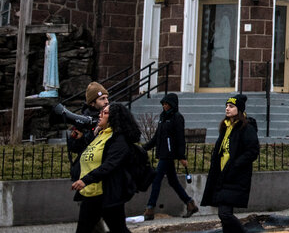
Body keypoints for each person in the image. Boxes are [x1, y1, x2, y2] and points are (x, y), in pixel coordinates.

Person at [71, 103, 139, 233]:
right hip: (90, 193)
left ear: (114, 118)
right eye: (101, 112)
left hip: (107, 193)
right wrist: (78, 139)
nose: (100, 115)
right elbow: (83, 154)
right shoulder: (99, 135)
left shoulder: (119, 140)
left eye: (105, 113)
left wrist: (85, 180)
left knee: (118, 229)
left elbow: (109, 165)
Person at [202, 94, 260, 233]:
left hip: (235, 176)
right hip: (223, 175)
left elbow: (252, 151)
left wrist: (236, 164)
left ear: (239, 109)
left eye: (231, 106)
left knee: (224, 214)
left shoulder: (246, 127)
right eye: (226, 106)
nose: (227, 109)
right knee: (224, 215)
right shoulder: (226, 126)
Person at [143, 93, 197, 219]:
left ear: (172, 104)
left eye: (166, 104)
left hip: (169, 154)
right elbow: (157, 137)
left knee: (156, 179)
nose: (164, 106)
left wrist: (181, 156)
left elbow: (180, 138)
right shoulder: (163, 117)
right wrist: (144, 148)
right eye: (163, 104)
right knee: (173, 181)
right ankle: (190, 203)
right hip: (163, 153)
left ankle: (150, 208)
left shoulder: (177, 117)